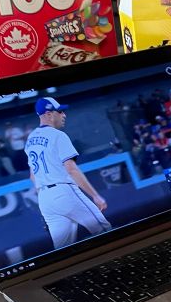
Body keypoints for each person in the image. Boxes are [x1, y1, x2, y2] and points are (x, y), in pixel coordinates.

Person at [26, 97, 111, 249]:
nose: (64, 115)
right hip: (64, 191)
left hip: (44, 198)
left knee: (63, 250)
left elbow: (32, 176)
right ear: (49, 114)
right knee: (106, 232)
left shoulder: (30, 139)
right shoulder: (58, 135)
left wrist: (48, 199)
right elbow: (71, 169)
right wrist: (95, 196)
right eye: (60, 111)